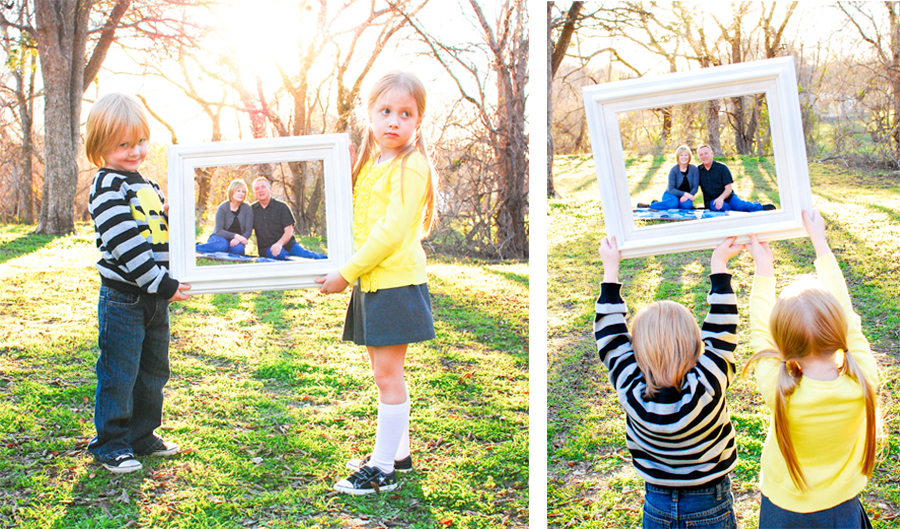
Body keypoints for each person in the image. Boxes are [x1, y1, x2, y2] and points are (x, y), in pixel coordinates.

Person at [315, 71, 437, 495]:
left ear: (418, 122)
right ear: (369, 114)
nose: (394, 121)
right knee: (383, 373)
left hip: (394, 284)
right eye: (385, 111)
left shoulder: (412, 165)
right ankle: (398, 454)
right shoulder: (375, 163)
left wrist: (346, 273)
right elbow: (356, 218)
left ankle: (382, 468)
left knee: (389, 376)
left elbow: (389, 231)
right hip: (372, 284)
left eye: (406, 114)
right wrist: (346, 167)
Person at [595, 235, 744, 528]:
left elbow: (611, 337)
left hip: (657, 504)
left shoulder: (631, 388)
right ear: (694, 345)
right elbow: (722, 331)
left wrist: (610, 270)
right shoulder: (707, 385)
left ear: (637, 351)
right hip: (709, 503)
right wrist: (719, 266)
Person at [742, 210, 879, 528]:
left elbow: (759, 333)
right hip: (842, 509)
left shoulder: (777, 388)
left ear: (782, 345)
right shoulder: (864, 381)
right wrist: (820, 243)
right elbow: (848, 312)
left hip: (783, 512)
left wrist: (764, 269)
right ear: (840, 331)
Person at [85, 93, 191, 473]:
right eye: (123, 144)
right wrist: (161, 284)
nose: (135, 151)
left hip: (155, 299)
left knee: (153, 371)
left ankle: (142, 435)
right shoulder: (107, 185)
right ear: (100, 145)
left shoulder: (147, 184)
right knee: (120, 370)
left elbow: (162, 235)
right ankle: (111, 441)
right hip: (124, 299)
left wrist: (174, 216)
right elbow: (125, 245)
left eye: (141, 141)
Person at [250, 177, 326, 260]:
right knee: (285, 257)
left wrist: (279, 244)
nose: (260, 190)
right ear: (254, 192)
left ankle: (331, 261)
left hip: (289, 245)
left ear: (270, 189)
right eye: (257, 188)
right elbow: (245, 229)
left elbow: (289, 231)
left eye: (263, 187)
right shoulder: (251, 210)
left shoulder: (282, 207)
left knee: (308, 257)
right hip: (267, 249)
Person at [696, 144, 775, 212]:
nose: (704, 156)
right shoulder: (698, 171)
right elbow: (693, 187)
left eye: (706, 153)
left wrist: (721, 198)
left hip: (728, 197)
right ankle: (737, 212)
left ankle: (760, 207)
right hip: (711, 201)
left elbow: (728, 189)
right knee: (724, 208)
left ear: (711, 154)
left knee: (740, 206)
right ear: (699, 157)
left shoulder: (722, 168)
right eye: (701, 155)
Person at [195, 179, 253, 256]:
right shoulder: (223, 208)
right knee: (222, 246)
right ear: (232, 191)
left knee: (238, 250)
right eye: (238, 191)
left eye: (243, 192)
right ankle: (196, 248)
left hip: (236, 240)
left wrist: (239, 239)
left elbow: (248, 230)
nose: (241, 194)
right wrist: (236, 236)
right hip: (219, 237)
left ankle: (223, 252)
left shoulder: (247, 208)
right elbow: (219, 231)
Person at [637, 144, 699, 210]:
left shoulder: (694, 169)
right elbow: (670, 189)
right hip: (671, 194)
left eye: (686, 155)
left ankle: (663, 204)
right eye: (681, 155)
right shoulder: (674, 170)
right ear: (678, 157)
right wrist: (686, 194)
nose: (684, 157)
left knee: (687, 206)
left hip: (685, 197)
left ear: (689, 156)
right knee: (673, 204)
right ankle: (651, 205)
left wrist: (687, 196)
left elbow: (695, 187)